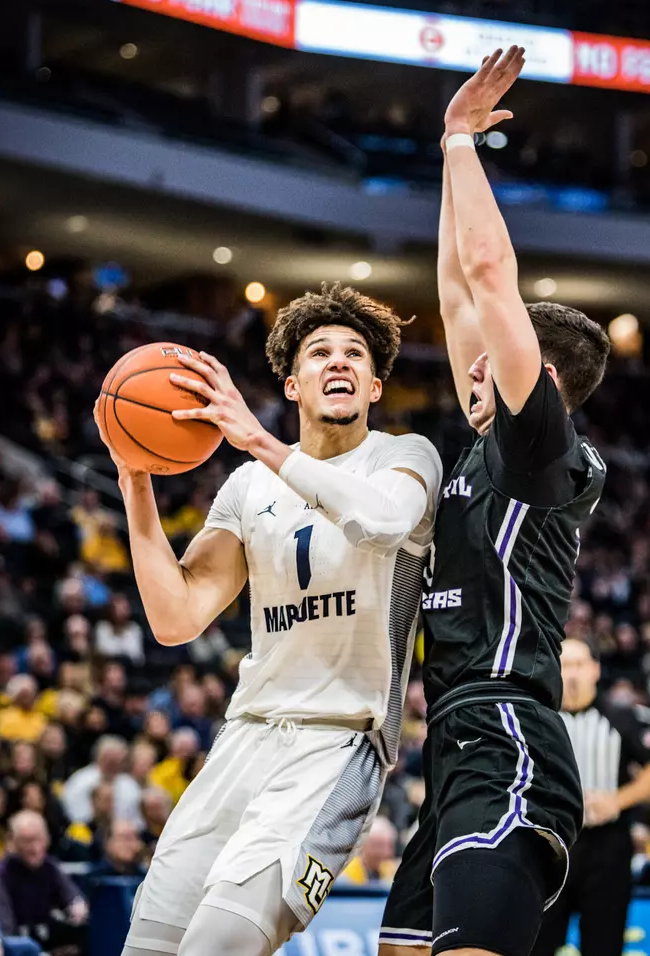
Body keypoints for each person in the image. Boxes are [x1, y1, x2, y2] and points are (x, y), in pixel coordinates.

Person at [95, 283, 442, 956]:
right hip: (243, 738)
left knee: (217, 947)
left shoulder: (405, 457)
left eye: (354, 355)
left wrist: (257, 439)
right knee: (148, 949)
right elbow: (176, 617)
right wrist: (135, 482)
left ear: (374, 387)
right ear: (292, 384)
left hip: (337, 745)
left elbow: (380, 524)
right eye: (319, 353)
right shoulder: (249, 486)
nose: (338, 363)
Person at [379, 48, 612, 956]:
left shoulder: (537, 445)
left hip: (509, 735)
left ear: (539, 376)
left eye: (494, 350)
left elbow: (484, 273)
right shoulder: (484, 447)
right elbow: (453, 289)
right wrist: (447, 152)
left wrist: (461, 143)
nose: (468, 355)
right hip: (457, 745)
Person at [532, 639, 650, 956]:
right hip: (547, 849)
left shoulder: (620, 717)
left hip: (606, 850)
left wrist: (616, 801)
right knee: (536, 945)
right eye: (565, 665)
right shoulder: (536, 717)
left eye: (580, 665)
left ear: (596, 670)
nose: (573, 674)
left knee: (604, 945)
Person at [0, 811, 88, 954]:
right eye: (27, 841)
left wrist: (77, 907)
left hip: (46, 940)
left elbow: (73, 898)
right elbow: (6, 928)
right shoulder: (2, 873)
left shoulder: (50, 867)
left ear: (47, 839)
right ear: (13, 842)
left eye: (38, 839)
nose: (34, 848)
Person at [62, 735, 141, 824]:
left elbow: (137, 819)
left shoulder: (130, 784)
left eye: (118, 761)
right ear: (100, 757)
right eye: (111, 760)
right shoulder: (80, 781)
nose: (115, 765)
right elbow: (75, 815)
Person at [342, 816, 399, 884]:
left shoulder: (392, 871)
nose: (385, 852)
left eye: (389, 846)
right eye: (378, 846)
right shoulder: (345, 874)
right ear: (363, 846)